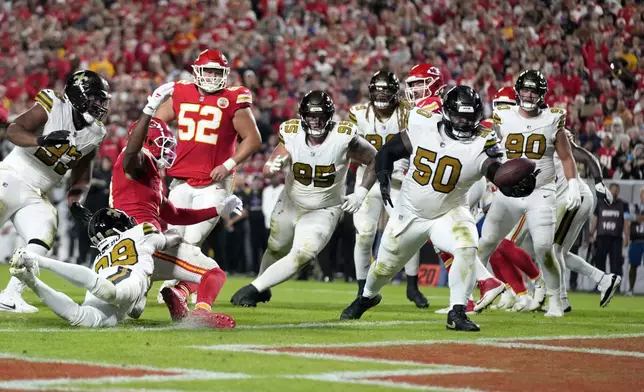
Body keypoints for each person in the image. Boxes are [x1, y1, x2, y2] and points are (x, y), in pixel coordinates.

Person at [340, 86, 538, 331]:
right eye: (459, 117)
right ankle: (367, 297)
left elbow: (495, 173)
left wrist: (514, 185)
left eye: (469, 118)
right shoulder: (425, 124)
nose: (464, 123)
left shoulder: (482, 141)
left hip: (449, 210)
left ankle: (457, 312)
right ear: (445, 113)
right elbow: (388, 150)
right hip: (410, 211)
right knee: (383, 268)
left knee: (466, 246)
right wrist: (383, 173)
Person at [74, 82, 243, 327]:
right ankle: (201, 313)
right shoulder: (136, 160)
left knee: (129, 306)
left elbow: (175, 214)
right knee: (212, 272)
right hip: (143, 243)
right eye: (163, 142)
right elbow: (132, 149)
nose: (168, 148)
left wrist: (217, 210)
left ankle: (152, 297)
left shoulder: (151, 174)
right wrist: (150, 109)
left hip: (132, 248)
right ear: (148, 141)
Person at [230, 90, 378, 306]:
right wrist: (273, 166)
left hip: (324, 208)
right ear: (303, 116)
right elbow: (269, 168)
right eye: (311, 117)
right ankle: (262, 288)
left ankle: (254, 288)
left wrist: (361, 192)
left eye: (320, 117)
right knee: (276, 247)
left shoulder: (343, 136)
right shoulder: (291, 133)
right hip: (290, 202)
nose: (316, 122)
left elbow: (376, 159)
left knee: (304, 254)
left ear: (329, 117)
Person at [154, 49, 262, 300]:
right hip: (181, 179)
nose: (212, 77)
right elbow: (156, 125)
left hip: (215, 182)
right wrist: (160, 155)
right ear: (197, 71)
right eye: (208, 71)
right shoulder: (182, 92)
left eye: (217, 71)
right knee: (173, 237)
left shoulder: (234, 98)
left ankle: (186, 286)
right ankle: (180, 284)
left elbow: (253, 139)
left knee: (193, 237)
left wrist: (228, 163)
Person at [0, 70, 110, 313]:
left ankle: (10, 295)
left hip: (37, 193)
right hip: (11, 176)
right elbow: (13, 130)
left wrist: (75, 202)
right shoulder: (53, 104)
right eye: (95, 98)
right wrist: (41, 140)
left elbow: (82, 175)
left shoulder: (95, 133)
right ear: (78, 96)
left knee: (44, 230)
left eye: (102, 101)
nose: (100, 106)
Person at [477, 70, 581, 318]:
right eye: (525, 90)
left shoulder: (553, 118)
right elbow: (488, 150)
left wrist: (574, 184)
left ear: (542, 94)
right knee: (484, 245)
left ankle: (555, 300)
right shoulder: (503, 116)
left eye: (534, 91)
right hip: (509, 191)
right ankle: (464, 298)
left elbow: (566, 156)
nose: (529, 94)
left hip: (541, 191)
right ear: (517, 92)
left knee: (545, 249)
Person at [8, 208, 184, 327]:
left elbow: (136, 312)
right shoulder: (141, 231)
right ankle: (37, 260)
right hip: (127, 276)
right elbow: (171, 239)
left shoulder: (99, 258)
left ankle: (30, 280)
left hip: (105, 279)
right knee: (108, 293)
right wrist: (176, 234)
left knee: (80, 317)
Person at [508, 129, 620, 311]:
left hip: (573, 198)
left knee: (551, 249)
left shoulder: (551, 139)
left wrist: (599, 181)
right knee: (560, 253)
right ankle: (604, 280)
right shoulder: (530, 152)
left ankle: (560, 299)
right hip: (570, 199)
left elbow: (582, 153)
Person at [348, 70, 428, 308]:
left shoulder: (408, 112)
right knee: (364, 234)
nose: (382, 95)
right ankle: (363, 289)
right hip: (368, 179)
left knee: (408, 231)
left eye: (386, 90)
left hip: (399, 182)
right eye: (378, 90)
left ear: (395, 92)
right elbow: (351, 150)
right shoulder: (358, 113)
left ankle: (412, 286)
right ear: (371, 91)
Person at [590, 183, 629, 281]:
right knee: (599, 262)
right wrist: (591, 234)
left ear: (618, 192)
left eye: (616, 190)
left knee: (616, 263)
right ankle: (600, 285)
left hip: (616, 238)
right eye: (612, 190)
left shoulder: (623, 205)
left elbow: (626, 221)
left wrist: (626, 236)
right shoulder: (600, 203)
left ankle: (615, 286)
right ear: (609, 190)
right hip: (601, 236)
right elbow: (595, 218)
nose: (614, 192)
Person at [627, 188, 644, 296]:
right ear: (641, 194)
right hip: (636, 239)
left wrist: (638, 218)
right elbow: (630, 216)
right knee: (633, 265)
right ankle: (630, 289)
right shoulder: (634, 206)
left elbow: (636, 218)